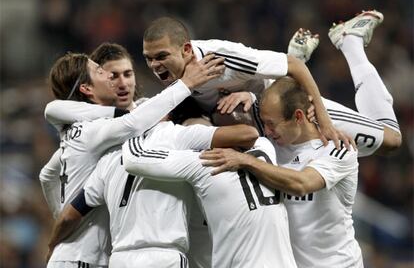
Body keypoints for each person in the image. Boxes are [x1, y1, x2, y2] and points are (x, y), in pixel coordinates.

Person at [41, 43, 225, 268]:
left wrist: (58, 217)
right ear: (87, 89)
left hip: (86, 255)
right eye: (103, 73)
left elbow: (47, 175)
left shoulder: (78, 130)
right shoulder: (95, 131)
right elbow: (132, 123)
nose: (114, 80)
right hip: (85, 257)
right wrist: (186, 83)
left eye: (127, 74)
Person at [46, 109, 259, 267]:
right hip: (165, 256)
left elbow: (69, 216)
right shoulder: (176, 135)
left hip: (120, 258)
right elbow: (247, 135)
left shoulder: (109, 158)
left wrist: (52, 245)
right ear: (166, 115)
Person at [200, 76, 363, 267]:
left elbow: (302, 184)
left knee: (391, 139)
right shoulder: (273, 145)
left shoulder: (338, 149)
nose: (266, 131)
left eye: (271, 124)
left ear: (299, 117)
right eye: (264, 123)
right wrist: (249, 96)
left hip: (339, 265)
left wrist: (246, 161)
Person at [142, 16, 349, 149]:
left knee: (381, 140)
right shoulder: (172, 71)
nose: (153, 65)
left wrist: (324, 120)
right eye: (148, 58)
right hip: (232, 119)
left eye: (161, 56)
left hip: (271, 110)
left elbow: (295, 66)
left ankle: (351, 41)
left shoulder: (223, 58)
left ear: (186, 50)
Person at [120, 120, 298, 267]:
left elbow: (134, 159)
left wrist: (136, 125)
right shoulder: (265, 146)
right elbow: (250, 133)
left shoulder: (203, 162)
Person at [286, 10, 401, 156]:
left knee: (391, 138)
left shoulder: (248, 57)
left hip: (301, 111)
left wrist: (293, 65)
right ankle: (350, 42)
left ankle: (350, 42)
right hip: (281, 116)